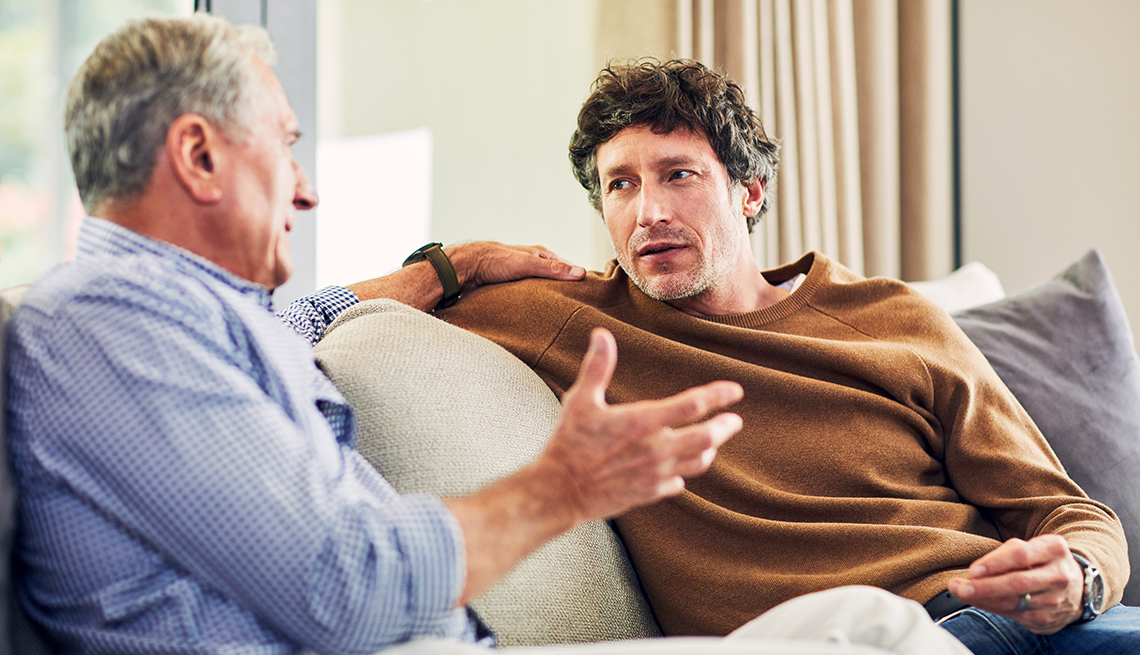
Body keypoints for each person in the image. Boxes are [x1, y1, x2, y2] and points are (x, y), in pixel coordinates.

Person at [2, 14, 977, 655]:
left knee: (868, 627)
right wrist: (566, 485)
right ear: (201, 154)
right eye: (287, 147)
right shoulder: (105, 329)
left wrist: (441, 268)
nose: (307, 188)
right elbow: (347, 589)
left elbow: (298, 320)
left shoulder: (188, 320)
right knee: (873, 634)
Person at [432, 59, 1140, 655]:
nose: (647, 211)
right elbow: (335, 312)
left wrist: (1079, 575)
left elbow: (1068, 511)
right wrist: (451, 263)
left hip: (1010, 618)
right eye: (621, 184)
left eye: (678, 175)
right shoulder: (572, 320)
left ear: (749, 191)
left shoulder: (894, 319)